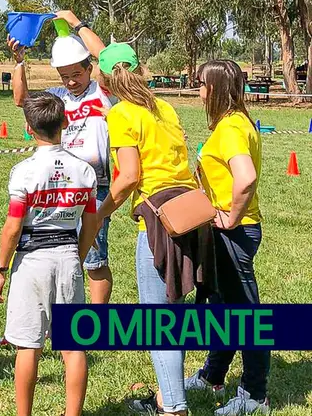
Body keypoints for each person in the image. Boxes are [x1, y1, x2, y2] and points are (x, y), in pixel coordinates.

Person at [95, 43, 206, 416]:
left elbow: (129, 175)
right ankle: (166, 397)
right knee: (172, 315)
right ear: (140, 70)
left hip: (159, 224)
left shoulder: (120, 114)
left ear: (105, 80)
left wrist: (100, 212)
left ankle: (173, 406)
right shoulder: (165, 107)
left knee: (157, 320)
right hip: (189, 213)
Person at [0, 92, 97, 416]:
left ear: (28, 128)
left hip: (32, 260)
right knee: (73, 346)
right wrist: (77, 254)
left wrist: (0, 269)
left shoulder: (24, 171)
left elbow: (12, 227)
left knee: (28, 345)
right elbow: (91, 223)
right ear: (65, 122)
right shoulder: (85, 171)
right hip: (68, 255)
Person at [8, 10, 114, 304]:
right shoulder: (58, 97)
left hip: (96, 185)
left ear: (89, 68)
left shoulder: (103, 91)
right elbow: (22, 101)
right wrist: (19, 63)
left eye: (76, 74)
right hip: (60, 187)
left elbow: (106, 56)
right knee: (65, 253)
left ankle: (95, 323)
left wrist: (76, 24)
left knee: (94, 257)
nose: (70, 82)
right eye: (64, 76)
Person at [185, 60, 270, 415]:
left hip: (235, 233)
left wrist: (231, 217)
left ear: (216, 88)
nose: (198, 89)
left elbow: (245, 177)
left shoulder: (232, 127)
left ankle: (255, 395)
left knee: (247, 316)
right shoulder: (232, 122)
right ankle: (213, 375)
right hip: (228, 233)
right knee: (223, 309)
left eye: (202, 83)